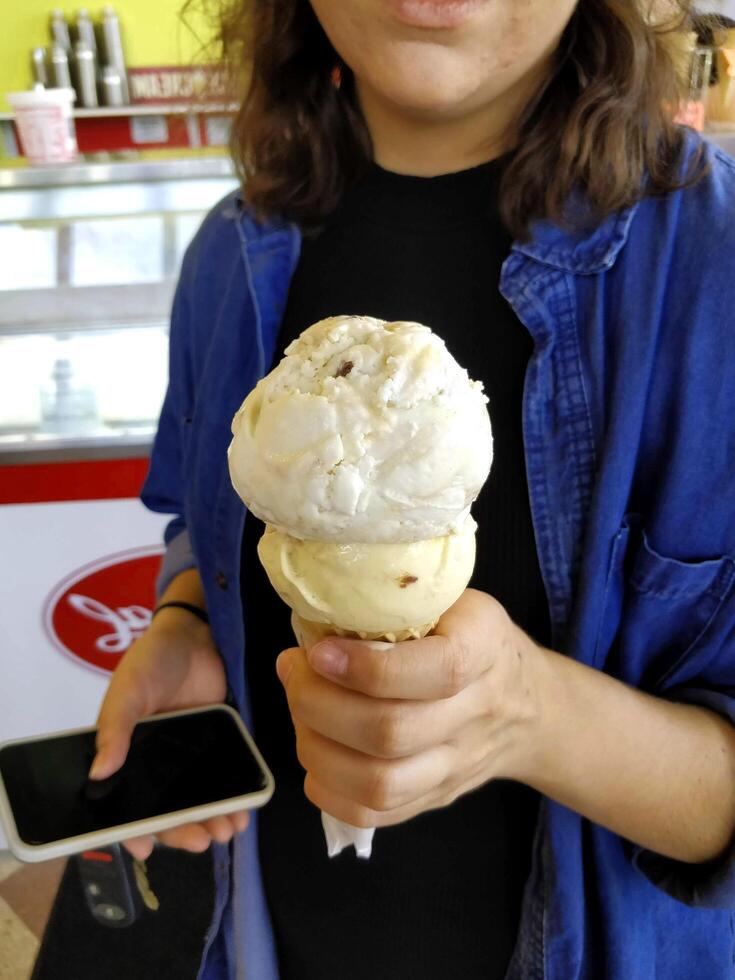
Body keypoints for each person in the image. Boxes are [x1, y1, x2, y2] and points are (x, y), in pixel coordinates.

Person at [90, 1, 735, 977]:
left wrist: (530, 714)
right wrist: (186, 625)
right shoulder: (231, 254)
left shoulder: (712, 271)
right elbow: (199, 524)